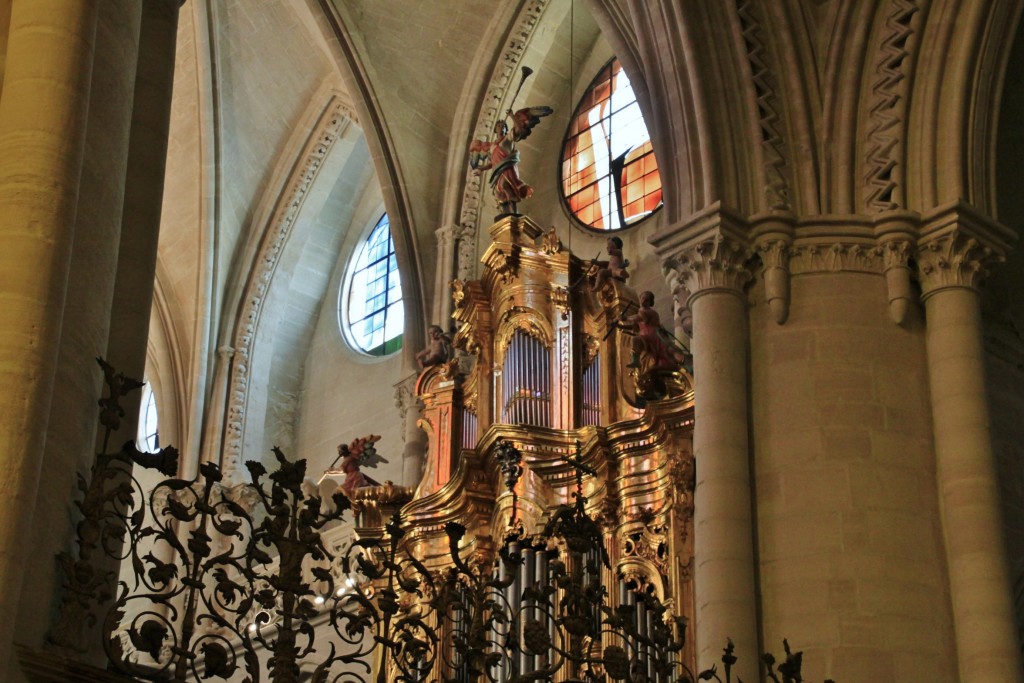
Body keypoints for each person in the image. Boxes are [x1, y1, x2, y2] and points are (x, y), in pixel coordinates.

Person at [469, 106, 553, 216]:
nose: (502, 127)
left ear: (506, 129)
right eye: (499, 126)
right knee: (500, 195)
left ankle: (513, 214)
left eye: (504, 126)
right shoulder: (491, 146)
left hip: (507, 169)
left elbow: (520, 128)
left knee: (507, 187)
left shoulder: (508, 139)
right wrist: (481, 168)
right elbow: (493, 162)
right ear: (495, 129)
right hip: (497, 172)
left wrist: (512, 116)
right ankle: (506, 215)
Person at [620, 291, 686, 371]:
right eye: (643, 298)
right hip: (645, 336)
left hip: (654, 335)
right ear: (640, 299)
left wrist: (626, 318)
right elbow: (634, 326)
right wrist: (620, 326)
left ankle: (684, 362)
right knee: (636, 340)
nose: (644, 301)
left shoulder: (649, 312)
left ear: (650, 303)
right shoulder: (641, 312)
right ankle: (636, 360)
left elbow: (639, 317)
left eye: (647, 300)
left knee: (667, 350)